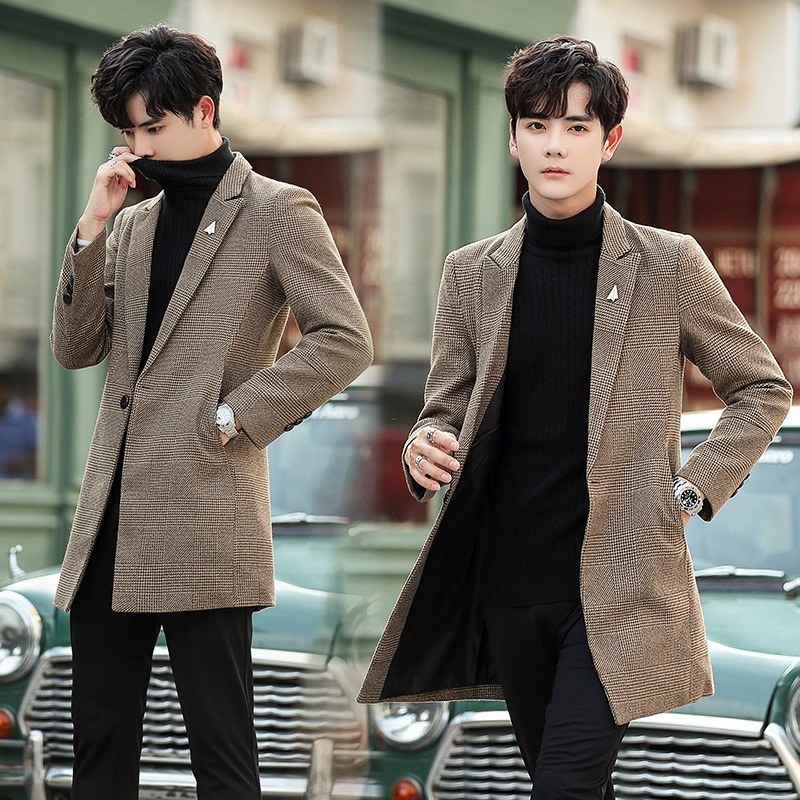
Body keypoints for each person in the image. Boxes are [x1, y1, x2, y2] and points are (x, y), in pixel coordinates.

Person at [358, 35, 792, 799]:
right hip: (508, 582)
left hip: (621, 585)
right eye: (536, 125)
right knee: (572, 784)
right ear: (513, 138)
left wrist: (692, 489)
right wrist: (422, 446)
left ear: (609, 140)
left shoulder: (669, 264)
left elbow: (761, 387)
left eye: (576, 127)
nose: (554, 145)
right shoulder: (472, 272)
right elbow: (445, 408)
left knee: (561, 785)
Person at [50, 24, 372, 800]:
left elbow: (345, 339)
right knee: (97, 752)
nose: (140, 149)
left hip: (205, 514)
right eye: (129, 132)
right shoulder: (133, 223)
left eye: (152, 128)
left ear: (203, 110)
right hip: (111, 523)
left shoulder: (278, 210)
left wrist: (236, 416)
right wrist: (91, 227)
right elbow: (76, 347)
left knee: (222, 758)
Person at [0, 371, 37, 479]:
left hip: (19, 483)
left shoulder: (25, 420)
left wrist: (21, 463)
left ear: (9, 391)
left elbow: (42, 456)